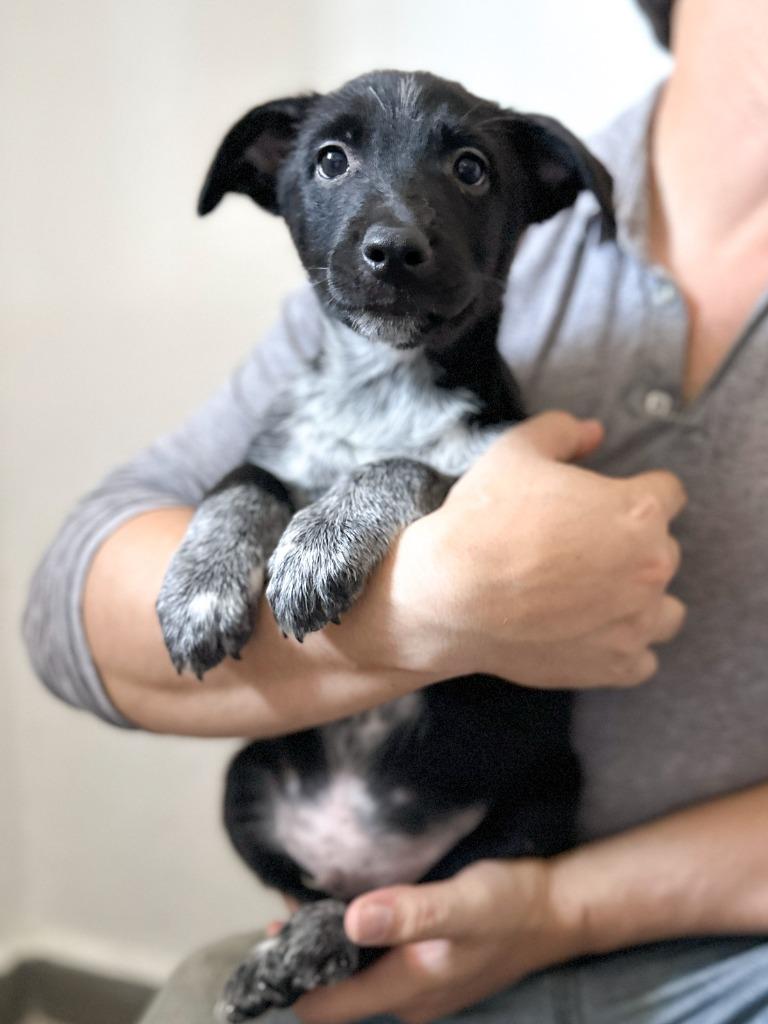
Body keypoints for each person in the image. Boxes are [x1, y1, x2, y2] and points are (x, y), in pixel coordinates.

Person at [22, 0, 768, 1020]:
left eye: (466, 173)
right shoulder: (333, 359)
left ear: (537, 196)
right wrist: (431, 607)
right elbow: (67, 605)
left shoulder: (533, 201)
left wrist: (557, 909)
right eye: (331, 161)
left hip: (680, 926)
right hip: (384, 902)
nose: (397, 227)